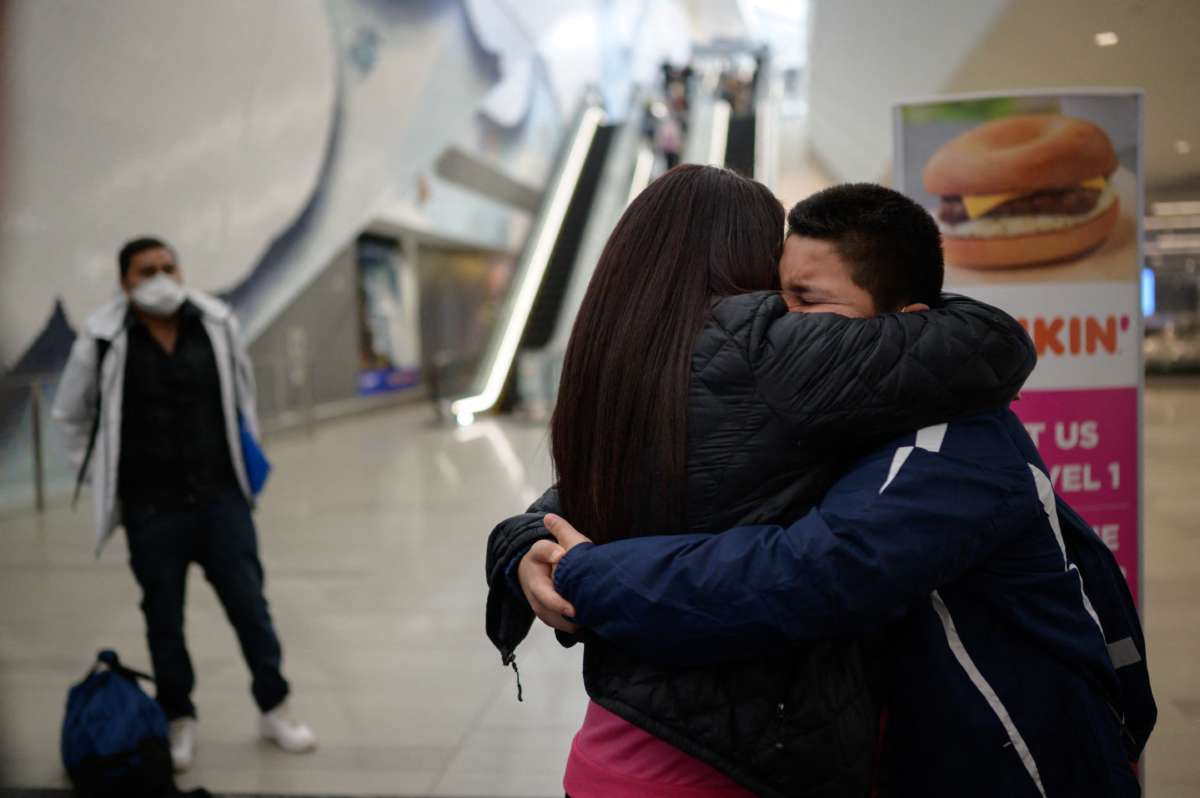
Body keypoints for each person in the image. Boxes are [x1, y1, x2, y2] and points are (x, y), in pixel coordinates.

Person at [517, 186, 1150, 796]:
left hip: (1021, 764)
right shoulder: (803, 411)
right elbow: (599, 490)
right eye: (771, 300)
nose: (781, 325)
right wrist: (527, 544)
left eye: (801, 301)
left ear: (905, 331)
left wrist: (588, 570)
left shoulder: (948, 444)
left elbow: (816, 571)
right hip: (711, 757)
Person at [52, 237, 316, 771]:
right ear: (125, 282)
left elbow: (242, 398)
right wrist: (107, 471)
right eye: (147, 270)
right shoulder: (103, 338)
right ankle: (178, 717)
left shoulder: (214, 322)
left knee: (250, 607)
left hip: (221, 501)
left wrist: (248, 467)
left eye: (169, 267)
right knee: (163, 619)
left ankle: (275, 705)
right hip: (153, 511)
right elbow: (70, 415)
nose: (161, 277)